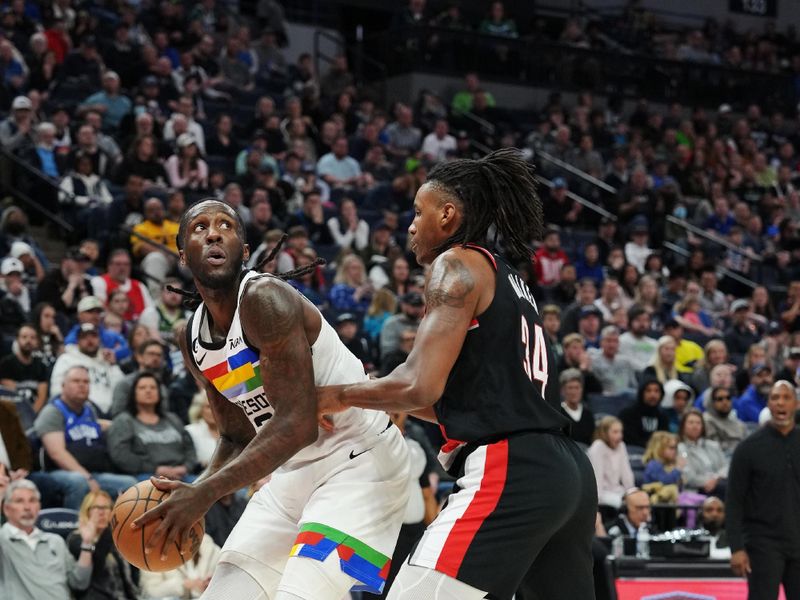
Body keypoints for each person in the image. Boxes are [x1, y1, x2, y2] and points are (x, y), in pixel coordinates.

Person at [317, 149, 597, 599]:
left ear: (447, 214)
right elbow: (449, 402)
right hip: (568, 473)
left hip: (512, 468)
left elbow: (417, 385)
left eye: (417, 212)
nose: (410, 225)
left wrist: (335, 395)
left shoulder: (456, 264)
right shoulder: (509, 278)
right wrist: (370, 400)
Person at [132, 198, 410, 600]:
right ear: (181, 256)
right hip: (292, 474)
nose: (213, 232)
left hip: (360, 462)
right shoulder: (190, 338)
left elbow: (297, 423)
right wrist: (192, 494)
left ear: (245, 253)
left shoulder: (265, 298)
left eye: (226, 225)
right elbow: (234, 435)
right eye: (200, 228)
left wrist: (204, 495)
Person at [727, 380, 800, 599]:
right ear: (768, 404)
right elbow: (734, 501)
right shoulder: (748, 448)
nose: (780, 404)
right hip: (762, 544)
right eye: (775, 398)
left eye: (786, 398)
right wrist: (736, 548)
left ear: (796, 404)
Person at [34, 366, 137, 510]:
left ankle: (120, 529)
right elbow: (57, 453)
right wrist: (87, 477)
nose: (82, 385)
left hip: (93, 473)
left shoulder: (89, 410)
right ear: (63, 386)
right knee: (78, 483)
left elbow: (97, 426)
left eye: (86, 382)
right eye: (76, 381)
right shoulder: (52, 412)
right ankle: (76, 528)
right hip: (61, 473)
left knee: (130, 484)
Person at [0, 479, 97, 600]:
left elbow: (80, 583)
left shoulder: (55, 541)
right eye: (19, 501)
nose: (27, 507)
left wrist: (87, 544)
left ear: (39, 507)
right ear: (6, 509)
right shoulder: (3, 540)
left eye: (32, 500)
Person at [107, 372, 197, 481]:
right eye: (142, 388)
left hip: (182, 475)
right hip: (145, 476)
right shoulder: (123, 421)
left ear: (159, 393)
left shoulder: (172, 419)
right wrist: (154, 469)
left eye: (153, 387)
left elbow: (189, 448)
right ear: (133, 393)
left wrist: (186, 467)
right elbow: (121, 455)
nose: (148, 390)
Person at [66, 490, 139, 599]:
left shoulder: (117, 538)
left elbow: (130, 576)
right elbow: (96, 567)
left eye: (106, 508)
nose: (102, 512)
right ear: (86, 511)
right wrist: (114, 523)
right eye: (97, 508)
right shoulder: (76, 539)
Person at [589, 416, 635, 516]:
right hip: (602, 493)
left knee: (638, 499)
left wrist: (632, 493)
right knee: (624, 504)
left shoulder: (621, 445)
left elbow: (626, 473)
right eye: (615, 432)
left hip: (617, 491)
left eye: (620, 432)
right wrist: (597, 502)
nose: (620, 436)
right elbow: (597, 479)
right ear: (605, 433)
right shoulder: (598, 447)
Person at [678, 409, 728, 498]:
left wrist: (716, 479)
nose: (695, 426)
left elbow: (726, 467)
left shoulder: (713, 445)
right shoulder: (680, 448)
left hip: (719, 483)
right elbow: (689, 477)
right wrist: (708, 481)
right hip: (699, 489)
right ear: (683, 426)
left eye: (698, 423)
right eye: (691, 422)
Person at [619, 379, 669, 448]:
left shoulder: (663, 416)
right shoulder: (628, 414)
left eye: (656, 391)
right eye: (648, 391)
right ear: (641, 393)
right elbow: (629, 440)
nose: (653, 395)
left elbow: (664, 438)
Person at [703, 385, 748, 455]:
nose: (725, 402)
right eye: (720, 399)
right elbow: (715, 448)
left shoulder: (738, 423)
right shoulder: (707, 421)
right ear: (711, 401)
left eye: (728, 398)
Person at [558, 368, 595, 445]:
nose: (574, 392)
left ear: (582, 389)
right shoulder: (558, 413)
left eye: (577, 388)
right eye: (570, 388)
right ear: (562, 391)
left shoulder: (588, 414)